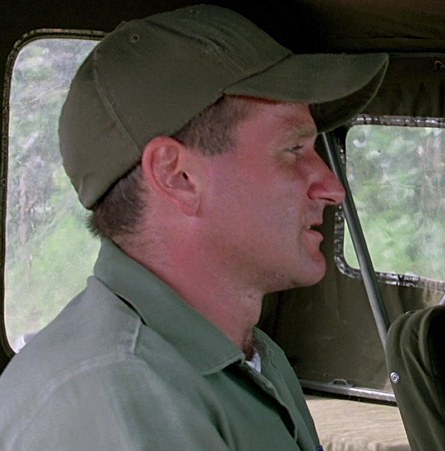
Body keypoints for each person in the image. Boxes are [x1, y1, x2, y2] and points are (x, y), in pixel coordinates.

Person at [0, 5, 388, 449]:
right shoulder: (117, 400)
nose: (332, 189)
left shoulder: (249, 358)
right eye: (294, 149)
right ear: (178, 176)